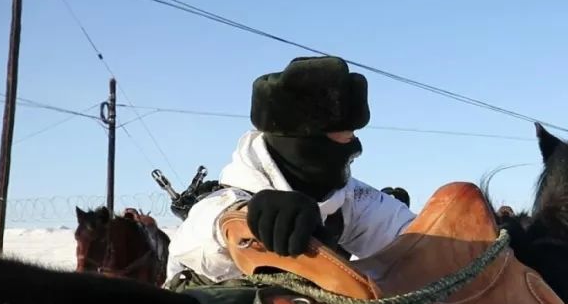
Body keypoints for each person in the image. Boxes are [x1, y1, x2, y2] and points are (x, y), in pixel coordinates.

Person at [166, 56, 416, 285]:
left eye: (353, 136)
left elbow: (408, 237)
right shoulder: (227, 198)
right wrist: (244, 220)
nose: (353, 148)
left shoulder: (349, 198)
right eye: (342, 138)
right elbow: (194, 241)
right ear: (303, 143)